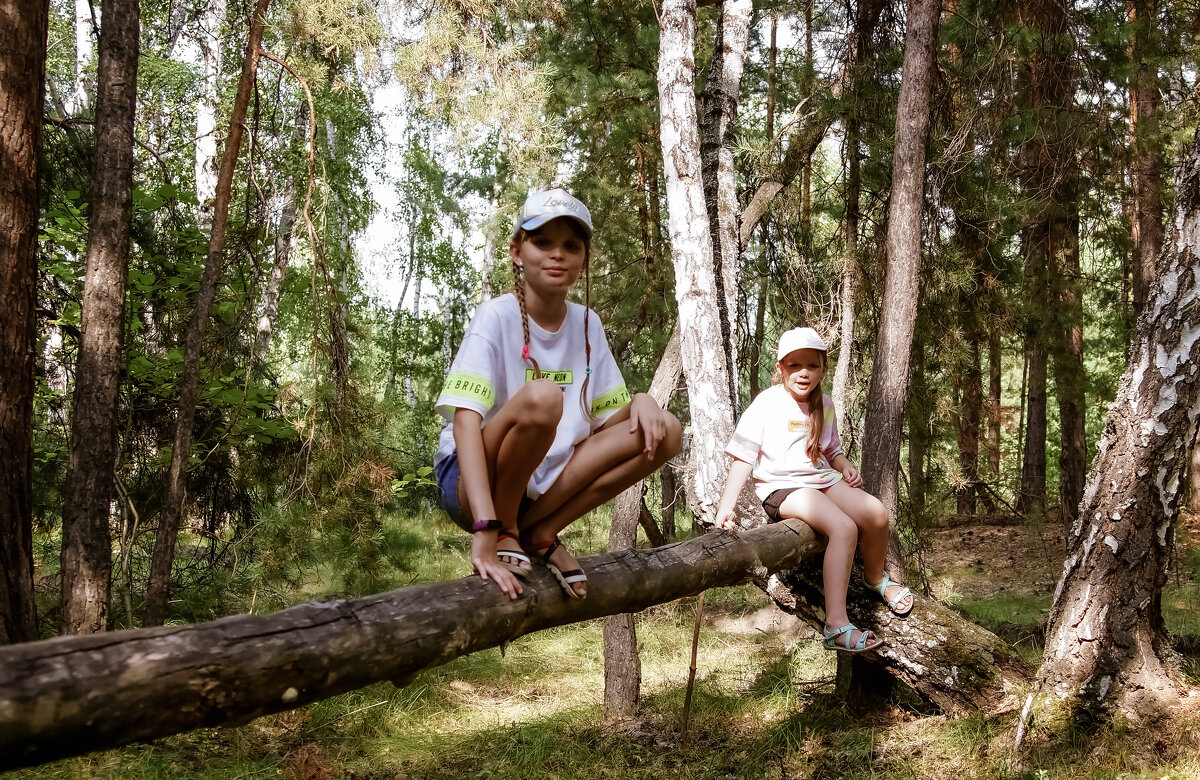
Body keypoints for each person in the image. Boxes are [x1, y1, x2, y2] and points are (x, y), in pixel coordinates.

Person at [434, 188, 682, 601]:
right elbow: (465, 425)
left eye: (571, 245)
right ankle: (507, 529)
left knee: (667, 431)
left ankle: (542, 532)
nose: (557, 254)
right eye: (542, 241)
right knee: (544, 397)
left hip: (541, 488)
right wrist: (485, 530)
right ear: (517, 251)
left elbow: (613, 423)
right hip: (472, 482)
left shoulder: (588, 324)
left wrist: (644, 400)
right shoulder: (495, 316)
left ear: (584, 257)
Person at [713, 327, 913, 652]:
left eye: (812, 365)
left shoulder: (826, 405)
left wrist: (845, 466)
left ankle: (875, 579)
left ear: (823, 368)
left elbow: (830, 451)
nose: (803, 373)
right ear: (780, 368)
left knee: (876, 514)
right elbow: (743, 456)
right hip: (784, 488)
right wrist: (726, 506)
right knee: (844, 528)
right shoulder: (767, 403)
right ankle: (836, 625)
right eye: (794, 366)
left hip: (822, 480)